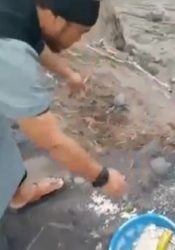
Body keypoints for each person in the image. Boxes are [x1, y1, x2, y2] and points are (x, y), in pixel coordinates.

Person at [0, 0, 127, 221]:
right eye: (79, 32)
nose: (78, 41)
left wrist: (68, 74)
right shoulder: (13, 60)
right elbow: (52, 142)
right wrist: (102, 178)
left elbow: (33, 40)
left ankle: (19, 194)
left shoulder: (27, 8)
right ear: (57, 19)